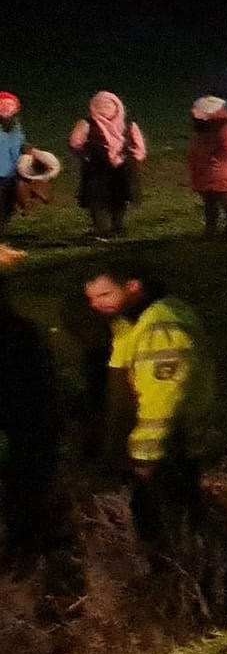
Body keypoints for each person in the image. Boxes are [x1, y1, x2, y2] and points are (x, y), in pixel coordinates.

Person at [83, 266, 217, 566]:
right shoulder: (129, 326)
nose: (97, 303)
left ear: (133, 287)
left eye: (105, 293)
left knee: (171, 531)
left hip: (167, 451)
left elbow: (163, 400)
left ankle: (188, 593)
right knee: (164, 528)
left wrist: (147, 457)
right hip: (152, 453)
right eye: (91, 298)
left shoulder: (161, 327)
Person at [0, 259, 84, 606]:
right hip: (35, 443)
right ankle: (57, 597)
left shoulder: (18, 335)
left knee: (35, 523)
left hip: (26, 446)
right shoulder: (24, 331)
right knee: (44, 522)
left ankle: (49, 601)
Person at [70, 91, 147, 240]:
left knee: (120, 197)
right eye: (102, 106)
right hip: (97, 169)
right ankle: (103, 230)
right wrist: (87, 156)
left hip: (122, 169)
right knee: (98, 200)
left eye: (109, 106)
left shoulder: (128, 124)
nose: (106, 110)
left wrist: (132, 159)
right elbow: (76, 143)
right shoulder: (87, 124)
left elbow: (139, 146)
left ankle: (117, 227)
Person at [187, 96, 227, 236]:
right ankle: (212, 228)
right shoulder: (206, 125)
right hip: (206, 167)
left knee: (223, 199)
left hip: (217, 168)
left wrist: (214, 158)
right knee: (210, 201)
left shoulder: (224, 125)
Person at [0, 92, 23, 238]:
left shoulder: (16, 127)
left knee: (7, 208)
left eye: (11, 105)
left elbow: (18, 145)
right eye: (3, 105)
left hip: (11, 175)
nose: (7, 109)